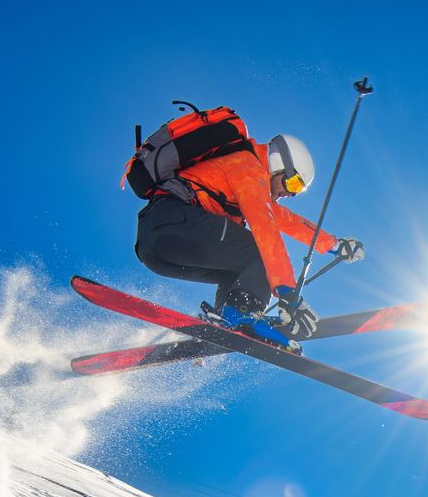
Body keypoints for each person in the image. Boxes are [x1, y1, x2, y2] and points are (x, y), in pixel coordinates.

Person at [134, 133, 364, 350]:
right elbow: (266, 230)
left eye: (297, 191)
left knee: (239, 272)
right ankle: (242, 313)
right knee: (260, 252)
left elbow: (289, 221)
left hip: (157, 250)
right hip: (171, 221)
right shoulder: (247, 166)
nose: (289, 194)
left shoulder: (253, 183)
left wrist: (334, 245)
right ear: (278, 163)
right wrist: (287, 293)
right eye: (292, 184)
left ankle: (227, 319)